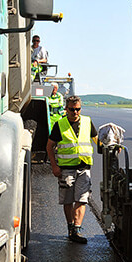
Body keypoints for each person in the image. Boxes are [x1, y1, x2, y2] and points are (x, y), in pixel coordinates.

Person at [47, 95, 99, 244]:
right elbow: (49, 146)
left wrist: (111, 145)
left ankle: (77, 229)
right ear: (66, 109)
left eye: (78, 109)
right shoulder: (60, 124)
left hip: (84, 168)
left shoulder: (87, 122)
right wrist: (54, 166)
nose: (75, 112)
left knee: (82, 199)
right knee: (68, 201)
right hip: (66, 169)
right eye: (72, 110)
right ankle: (70, 227)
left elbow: (97, 140)